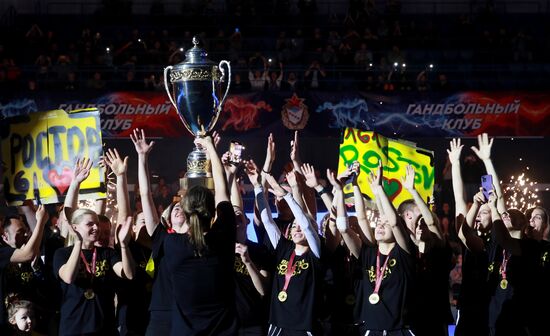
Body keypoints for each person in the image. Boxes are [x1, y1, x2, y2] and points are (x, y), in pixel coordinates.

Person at [163, 134, 238, 335]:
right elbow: (223, 190)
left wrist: (196, 162)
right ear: (213, 212)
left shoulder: (172, 244)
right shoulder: (224, 235)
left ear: (184, 210)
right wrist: (210, 148)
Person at [330, 163, 416, 335]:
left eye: (385, 224)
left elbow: (394, 222)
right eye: (378, 223)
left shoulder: (404, 252)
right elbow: (346, 227)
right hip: (370, 330)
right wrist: (345, 189)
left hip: (398, 330)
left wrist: (379, 190)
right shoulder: (368, 254)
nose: (380, 226)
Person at [53, 157, 135, 336]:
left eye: (97, 224)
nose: (96, 228)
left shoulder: (107, 253)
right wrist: (75, 183)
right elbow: (68, 277)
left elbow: (128, 274)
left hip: (104, 329)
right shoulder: (62, 253)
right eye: (90, 224)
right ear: (75, 227)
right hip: (73, 329)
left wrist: (123, 245)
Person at [256, 169, 323, 336]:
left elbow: (306, 225)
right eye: (294, 227)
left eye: (300, 225)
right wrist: (257, 187)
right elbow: (267, 221)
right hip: (277, 324)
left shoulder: (315, 252)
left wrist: (287, 196)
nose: (297, 228)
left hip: (303, 327)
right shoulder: (284, 249)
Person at [0, 206, 47, 334]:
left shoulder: (31, 258)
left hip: (32, 322)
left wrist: (37, 270)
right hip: (8, 325)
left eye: (25, 231)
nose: (25, 234)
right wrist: (41, 221)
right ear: (5, 237)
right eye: (20, 232)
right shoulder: (3, 255)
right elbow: (28, 254)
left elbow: (44, 286)